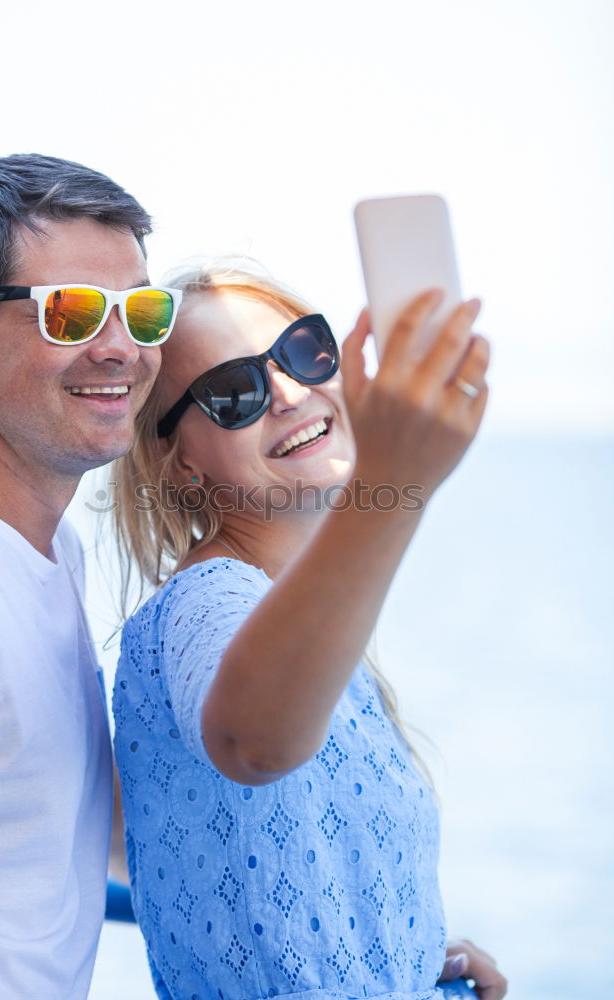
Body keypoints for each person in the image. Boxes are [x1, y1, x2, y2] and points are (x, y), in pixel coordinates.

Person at [112, 262, 508, 1000]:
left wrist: (403, 947)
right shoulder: (210, 597)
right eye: (235, 393)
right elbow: (253, 741)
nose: (291, 393)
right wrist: (398, 485)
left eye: (303, 351)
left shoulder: (291, 618)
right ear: (182, 466)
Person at [0, 154, 182, 999]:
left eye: (141, 310)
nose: (121, 348)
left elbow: (50, 823)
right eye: (72, 312)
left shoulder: (49, 547)